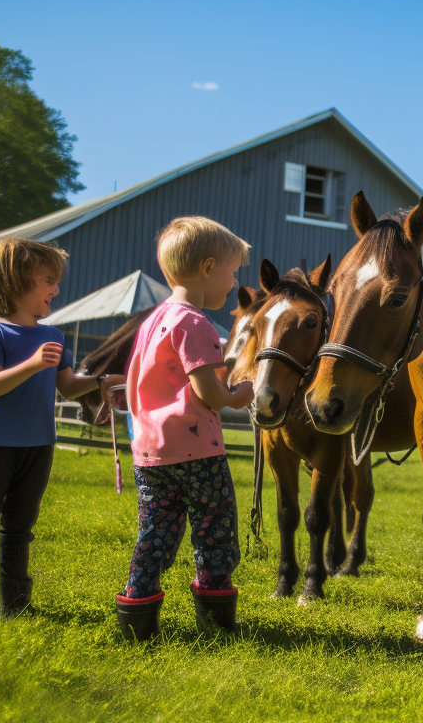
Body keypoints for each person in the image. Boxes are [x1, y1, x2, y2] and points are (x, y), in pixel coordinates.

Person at [0, 238, 105, 626]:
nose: (56, 288)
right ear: (15, 283)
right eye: (47, 279)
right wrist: (33, 364)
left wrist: (108, 380)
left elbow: (67, 386)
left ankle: (15, 606)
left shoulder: (54, 337)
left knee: (19, 529)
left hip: (38, 446)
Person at [112, 216, 254, 642]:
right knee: (215, 530)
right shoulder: (195, 323)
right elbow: (207, 391)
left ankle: (137, 620)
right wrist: (234, 396)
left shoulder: (154, 320)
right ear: (209, 268)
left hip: (151, 452)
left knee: (157, 531)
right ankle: (215, 621)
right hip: (198, 452)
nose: (232, 285)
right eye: (231, 273)